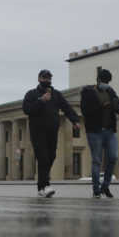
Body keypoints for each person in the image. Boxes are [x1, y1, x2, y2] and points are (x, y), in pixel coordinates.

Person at [23, 69, 80, 198]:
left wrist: (75, 120)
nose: (47, 80)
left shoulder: (56, 94)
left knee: (51, 156)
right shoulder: (31, 94)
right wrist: (41, 100)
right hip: (37, 131)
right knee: (43, 157)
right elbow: (27, 110)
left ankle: (41, 186)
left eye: (49, 78)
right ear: (39, 79)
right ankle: (45, 186)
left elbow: (67, 108)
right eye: (44, 78)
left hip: (52, 130)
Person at [80, 68, 119, 198]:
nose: (106, 83)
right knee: (97, 161)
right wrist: (102, 106)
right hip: (95, 131)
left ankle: (105, 186)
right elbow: (85, 111)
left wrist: (115, 103)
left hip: (109, 131)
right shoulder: (88, 92)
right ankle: (96, 189)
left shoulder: (110, 91)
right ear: (98, 80)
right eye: (104, 81)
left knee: (113, 157)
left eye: (108, 81)